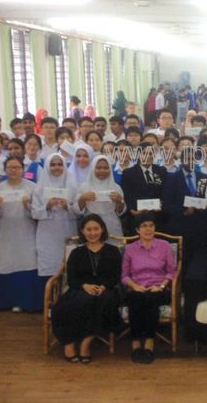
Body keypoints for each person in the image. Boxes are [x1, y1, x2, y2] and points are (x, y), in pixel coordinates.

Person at [51, 214, 122, 363]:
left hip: (106, 290)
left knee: (102, 302)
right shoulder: (76, 252)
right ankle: (69, 344)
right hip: (80, 289)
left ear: (102, 229)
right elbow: (72, 279)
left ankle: (85, 343)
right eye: (88, 229)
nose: (92, 233)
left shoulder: (113, 251)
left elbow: (116, 276)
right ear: (83, 231)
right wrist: (85, 286)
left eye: (96, 229)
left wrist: (104, 286)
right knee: (66, 306)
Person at [122, 212, 176, 363]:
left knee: (151, 299)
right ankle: (135, 343)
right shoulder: (130, 249)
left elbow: (172, 271)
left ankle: (149, 343)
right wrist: (135, 286)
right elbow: (124, 275)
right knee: (136, 299)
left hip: (159, 289)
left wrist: (161, 286)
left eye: (151, 225)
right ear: (137, 230)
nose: (148, 229)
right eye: (144, 226)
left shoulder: (164, 246)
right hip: (136, 288)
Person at [0, 156, 38, 312]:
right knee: (6, 263)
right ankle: (7, 301)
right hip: (6, 232)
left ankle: (25, 301)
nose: (13, 170)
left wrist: (27, 205)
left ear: (23, 169)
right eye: (10, 168)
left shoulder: (32, 187)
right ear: (5, 170)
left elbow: (37, 213)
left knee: (27, 263)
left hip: (26, 232)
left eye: (17, 167)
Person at [32, 153, 78, 308]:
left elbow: (79, 212)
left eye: (59, 164)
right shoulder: (39, 188)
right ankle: (50, 305)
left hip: (67, 230)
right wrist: (46, 206)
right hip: (47, 233)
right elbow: (34, 212)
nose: (56, 167)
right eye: (53, 164)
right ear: (47, 167)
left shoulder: (73, 186)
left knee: (68, 267)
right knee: (49, 265)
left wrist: (68, 207)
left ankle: (69, 305)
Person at [74, 156, 126, 238]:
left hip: (112, 226)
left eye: (105, 168)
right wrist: (82, 199)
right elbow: (77, 211)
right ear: (92, 168)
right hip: (91, 227)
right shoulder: (84, 187)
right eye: (98, 168)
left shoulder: (116, 187)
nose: (102, 170)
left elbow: (120, 212)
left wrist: (120, 200)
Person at [120, 142, 167, 233]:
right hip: (137, 216)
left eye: (150, 153)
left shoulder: (161, 171)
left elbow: (165, 192)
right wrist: (131, 210)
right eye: (144, 153)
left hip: (158, 216)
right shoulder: (128, 173)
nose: (148, 156)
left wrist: (162, 204)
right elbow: (126, 194)